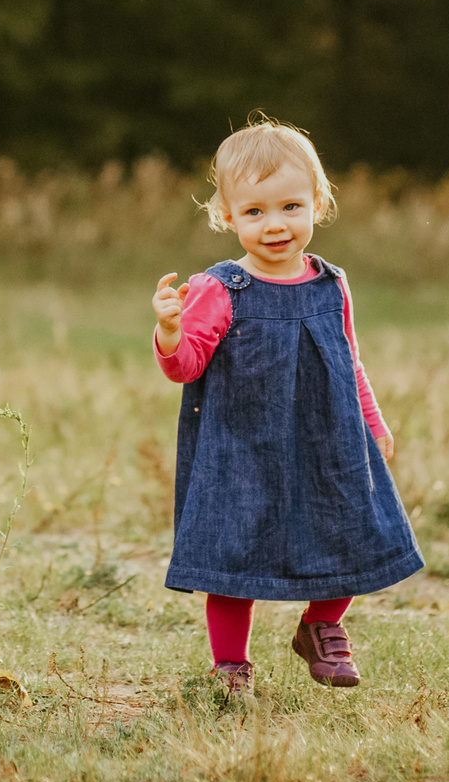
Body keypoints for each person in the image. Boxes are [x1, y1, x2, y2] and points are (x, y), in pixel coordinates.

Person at [150, 116, 423, 697]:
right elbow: (186, 366)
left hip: (328, 439)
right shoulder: (220, 289)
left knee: (353, 531)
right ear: (227, 216)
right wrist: (171, 331)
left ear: (317, 204)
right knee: (233, 554)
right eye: (254, 212)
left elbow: (348, 359)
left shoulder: (332, 284)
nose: (275, 225)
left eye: (290, 207)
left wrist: (372, 422)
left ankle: (320, 625)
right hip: (240, 447)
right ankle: (230, 667)